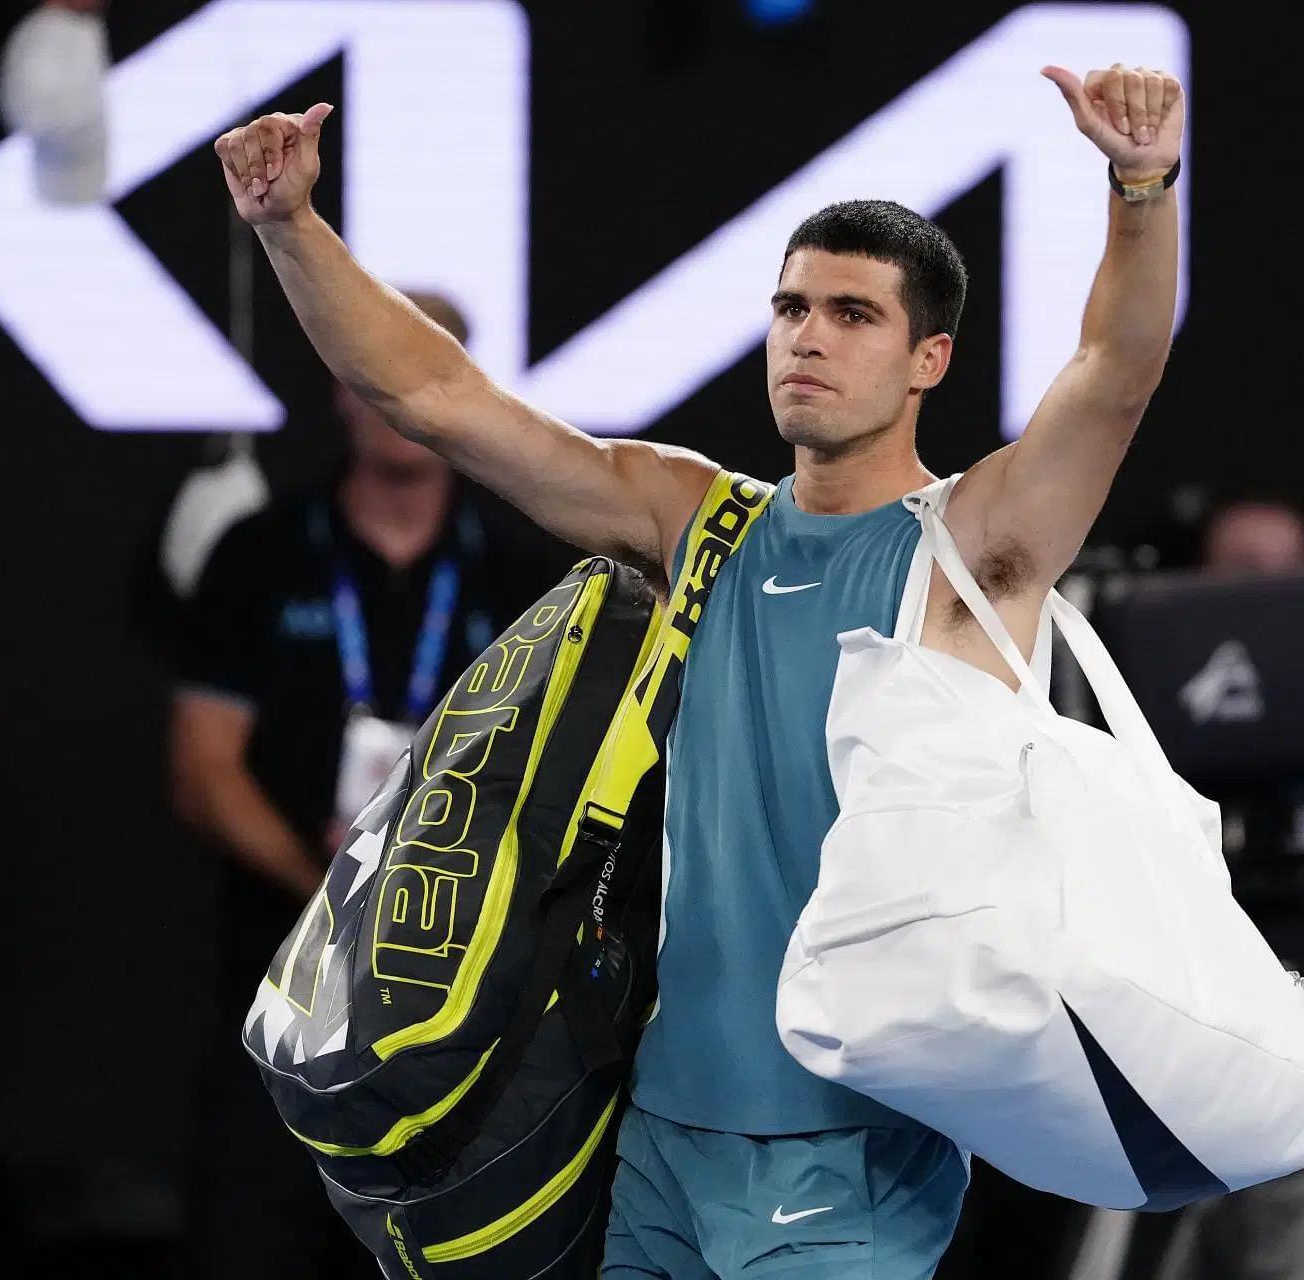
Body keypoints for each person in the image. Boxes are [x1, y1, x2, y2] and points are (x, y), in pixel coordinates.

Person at [214, 60, 1185, 1277]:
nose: (808, 337)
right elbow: (437, 395)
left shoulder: (972, 547)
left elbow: (1113, 374)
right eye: (791, 307)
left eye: (853, 314)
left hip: (849, 1148)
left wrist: (1141, 186)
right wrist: (290, 226)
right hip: (659, 1137)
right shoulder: (698, 521)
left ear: (928, 359)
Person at [169, 298, 564, 1278]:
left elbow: (560, 786)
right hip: (278, 1010)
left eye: (425, 372)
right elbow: (204, 769)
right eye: (376, 370)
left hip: (456, 1027)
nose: (400, 399)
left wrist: (430, 889)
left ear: (468, 394)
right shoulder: (260, 554)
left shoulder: (524, 573)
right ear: (340, 386)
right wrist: (336, 888)